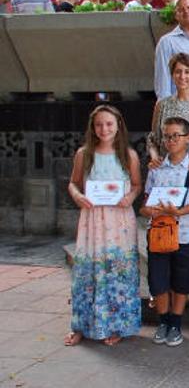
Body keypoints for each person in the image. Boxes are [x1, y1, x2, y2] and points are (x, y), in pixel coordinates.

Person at [64, 105, 141, 347]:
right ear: (92, 127)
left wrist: (130, 196)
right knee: (86, 272)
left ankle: (116, 325)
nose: (104, 129)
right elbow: (73, 183)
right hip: (92, 221)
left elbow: (137, 184)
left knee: (116, 272)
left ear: (118, 126)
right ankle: (81, 325)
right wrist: (77, 196)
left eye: (109, 124)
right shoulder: (84, 154)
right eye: (99, 124)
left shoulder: (128, 155)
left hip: (119, 222)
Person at [141, 117, 189, 348]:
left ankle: (176, 324)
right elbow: (144, 203)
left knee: (182, 281)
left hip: (186, 233)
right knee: (158, 280)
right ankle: (163, 321)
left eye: (176, 136)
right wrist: (150, 210)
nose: (171, 140)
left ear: (188, 138)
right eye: (167, 136)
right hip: (159, 233)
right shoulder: (157, 167)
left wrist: (179, 211)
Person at [154, 0, 189, 100]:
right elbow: (162, 81)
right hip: (180, 103)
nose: (186, 11)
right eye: (181, 9)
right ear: (176, 15)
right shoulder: (167, 42)